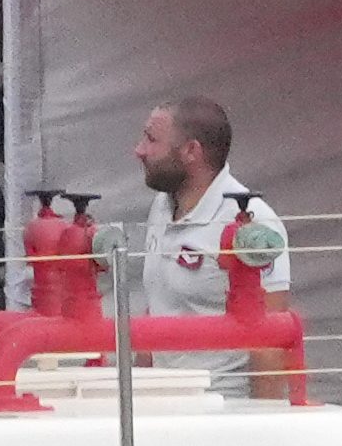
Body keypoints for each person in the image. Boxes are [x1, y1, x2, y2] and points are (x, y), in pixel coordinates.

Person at [118, 91, 290, 371]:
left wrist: (263, 414)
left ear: (191, 151)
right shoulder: (162, 205)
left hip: (224, 404)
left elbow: (271, 343)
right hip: (166, 400)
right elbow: (160, 308)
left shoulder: (256, 222)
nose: (139, 150)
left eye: (151, 139)